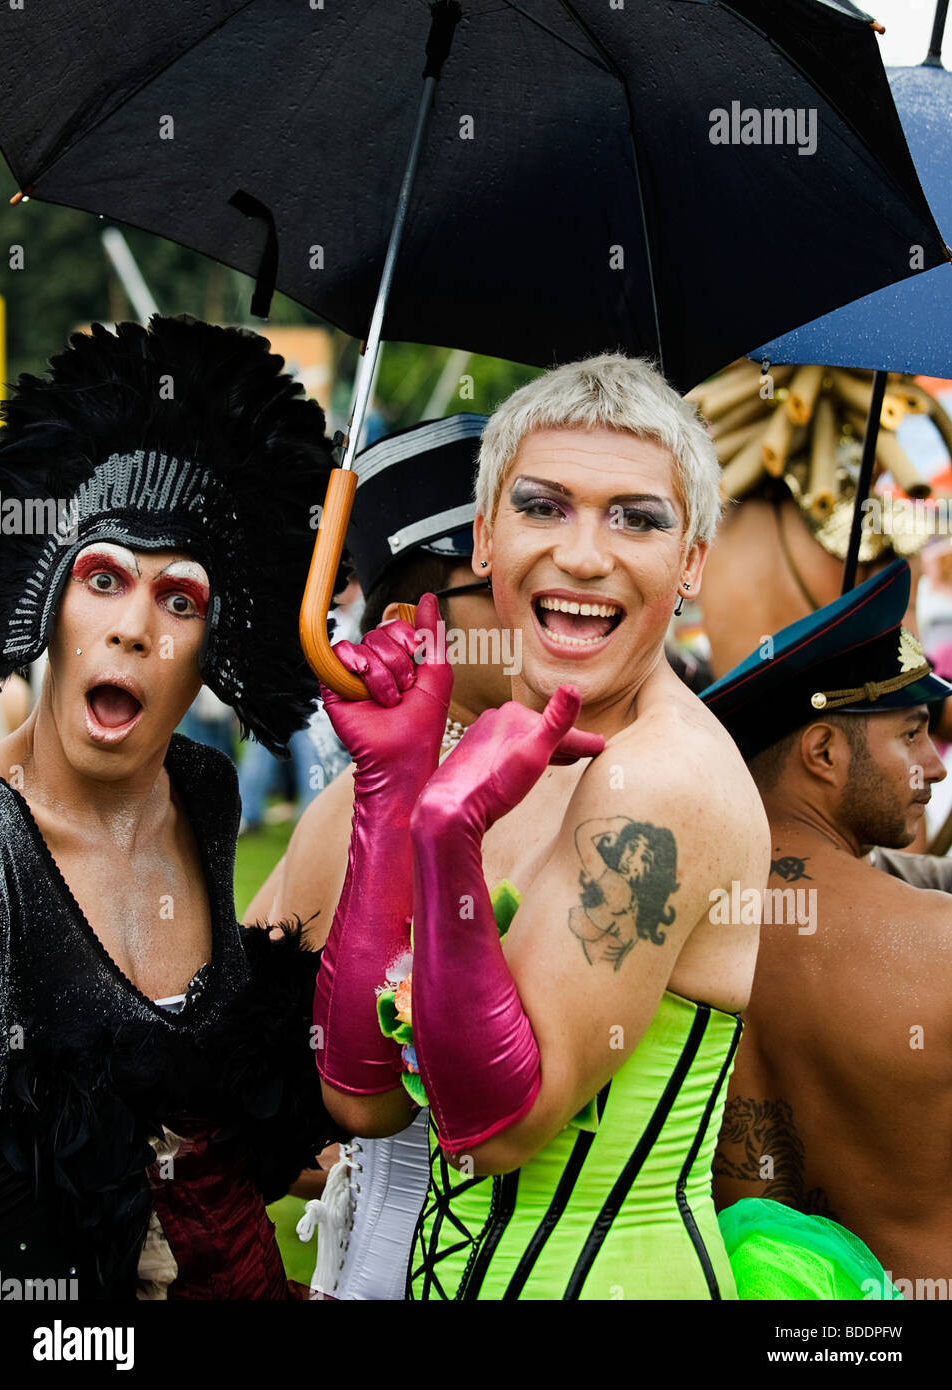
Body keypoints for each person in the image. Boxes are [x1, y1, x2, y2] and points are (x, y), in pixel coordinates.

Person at [310, 355, 773, 1300]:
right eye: (543, 506)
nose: (585, 554)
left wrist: (443, 838)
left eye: (636, 518)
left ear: (689, 563)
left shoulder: (661, 779)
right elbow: (358, 1092)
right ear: (484, 539)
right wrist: (394, 786)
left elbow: (499, 1131)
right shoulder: (495, 751)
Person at [0, 316, 340, 1300]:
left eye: (180, 599)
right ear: (48, 597)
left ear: (216, 646)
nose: (134, 629)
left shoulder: (204, 788)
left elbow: (212, 1098)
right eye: (104, 579)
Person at [246, 414, 514, 1300]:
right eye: (508, 581)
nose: (556, 601)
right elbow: (245, 1073)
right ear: (412, 621)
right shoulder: (365, 812)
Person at [703, 560, 952, 1295]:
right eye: (910, 734)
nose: (933, 767)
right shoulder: (937, 945)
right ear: (821, 753)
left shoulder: (666, 936)